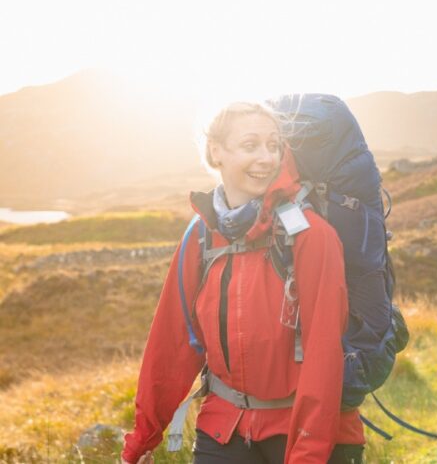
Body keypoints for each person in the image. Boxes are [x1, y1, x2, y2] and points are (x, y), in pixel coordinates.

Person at [121, 102, 365, 464]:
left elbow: (323, 356)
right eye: (251, 145)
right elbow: (172, 344)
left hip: (305, 435)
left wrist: (308, 455)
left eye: (273, 145)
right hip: (224, 428)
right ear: (216, 151)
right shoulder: (201, 235)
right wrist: (141, 441)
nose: (266, 158)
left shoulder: (311, 235)